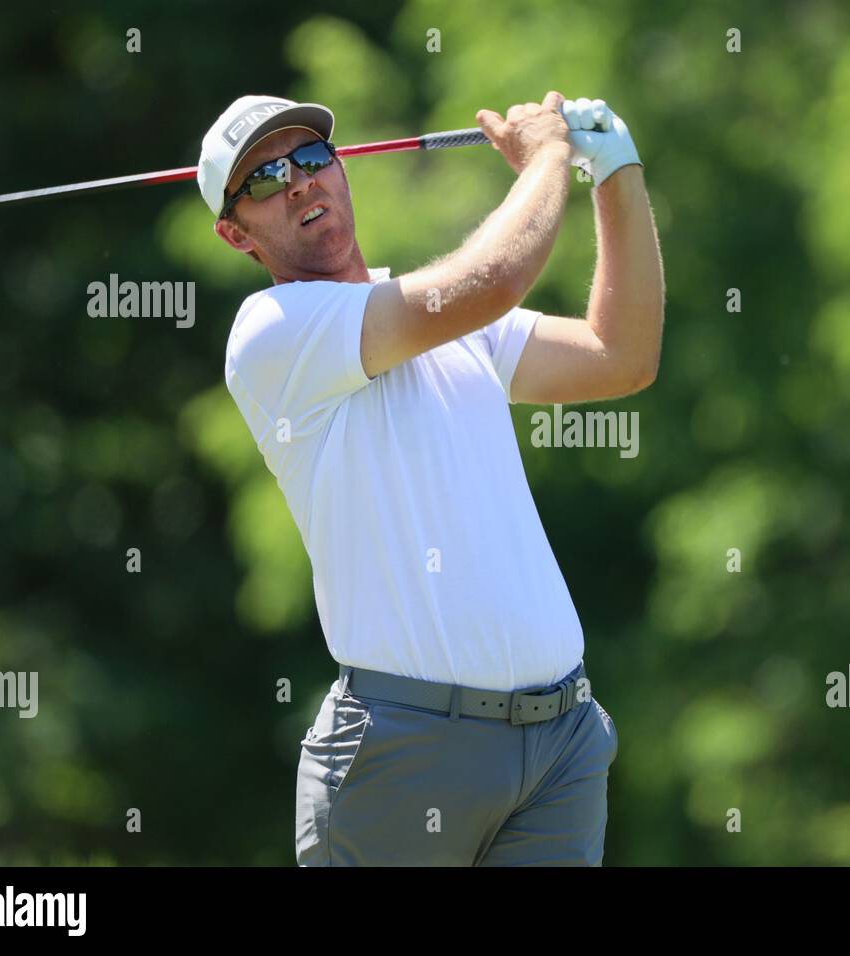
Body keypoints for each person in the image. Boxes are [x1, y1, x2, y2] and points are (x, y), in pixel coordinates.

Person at [196, 90, 664, 865]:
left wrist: (615, 172)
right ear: (235, 233)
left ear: (339, 170)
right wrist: (548, 155)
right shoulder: (272, 334)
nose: (300, 183)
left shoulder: (451, 327)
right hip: (403, 757)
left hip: (561, 749)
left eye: (311, 159)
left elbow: (623, 357)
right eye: (265, 180)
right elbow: (490, 281)